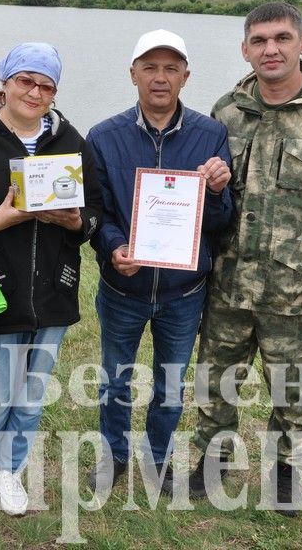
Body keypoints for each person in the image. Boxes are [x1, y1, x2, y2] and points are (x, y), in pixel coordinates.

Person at [189, 2, 302, 516]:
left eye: (282, 39)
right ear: (245, 49)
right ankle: (212, 463)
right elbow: (205, 195)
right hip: (227, 281)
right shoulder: (226, 110)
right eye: (260, 41)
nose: (271, 49)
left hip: (296, 290)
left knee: (292, 393)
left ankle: (286, 475)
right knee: (215, 381)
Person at [0, 42, 102, 516]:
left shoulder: (72, 143)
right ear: (4, 83)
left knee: (31, 394)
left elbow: (96, 213)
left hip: (53, 289)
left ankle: (11, 469)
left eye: (46, 85)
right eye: (25, 80)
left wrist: (75, 223)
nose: (35, 92)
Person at [86, 29, 233, 494]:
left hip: (183, 293)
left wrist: (217, 189)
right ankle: (113, 457)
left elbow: (221, 219)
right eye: (150, 67)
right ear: (133, 74)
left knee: (169, 389)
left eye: (171, 68)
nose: (160, 78)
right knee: (115, 383)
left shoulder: (211, 135)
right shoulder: (103, 136)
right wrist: (112, 247)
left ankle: (157, 461)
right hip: (123, 289)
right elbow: (98, 210)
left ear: (186, 77)